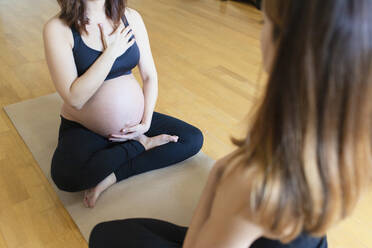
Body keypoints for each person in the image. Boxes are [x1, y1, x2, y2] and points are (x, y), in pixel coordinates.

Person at [89, 0, 372, 247]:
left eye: (265, 22)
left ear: (284, 48)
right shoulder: (352, 143)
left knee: (105, 236)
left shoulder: (253, 183)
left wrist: (218, 179)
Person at [43, 0, 204, 208]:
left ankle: (114, 174)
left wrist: (145, 123)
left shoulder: (131, 18)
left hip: (135, 125)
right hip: (85, 127)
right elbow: (75, 98)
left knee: (192, 139)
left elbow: (149, 76)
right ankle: (141, 145)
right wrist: (110, 54)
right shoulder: (58, 29)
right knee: (66, 176)